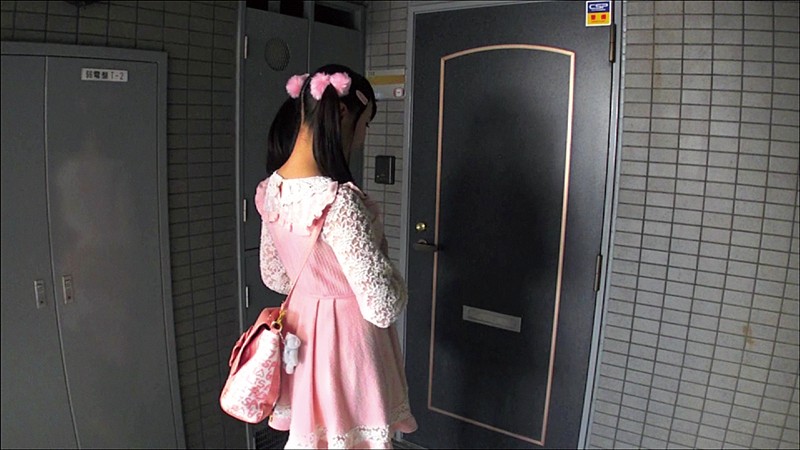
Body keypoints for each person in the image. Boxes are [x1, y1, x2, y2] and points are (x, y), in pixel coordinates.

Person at [254, 64, 418, 449]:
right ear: (343, 112)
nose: (362, 136)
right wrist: (393, 277)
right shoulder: (338, 200)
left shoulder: (271, 190)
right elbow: (382, 306)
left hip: (303, 337)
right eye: (366, 123)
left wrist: (317, 282)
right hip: (347, 346)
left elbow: (275, 276)